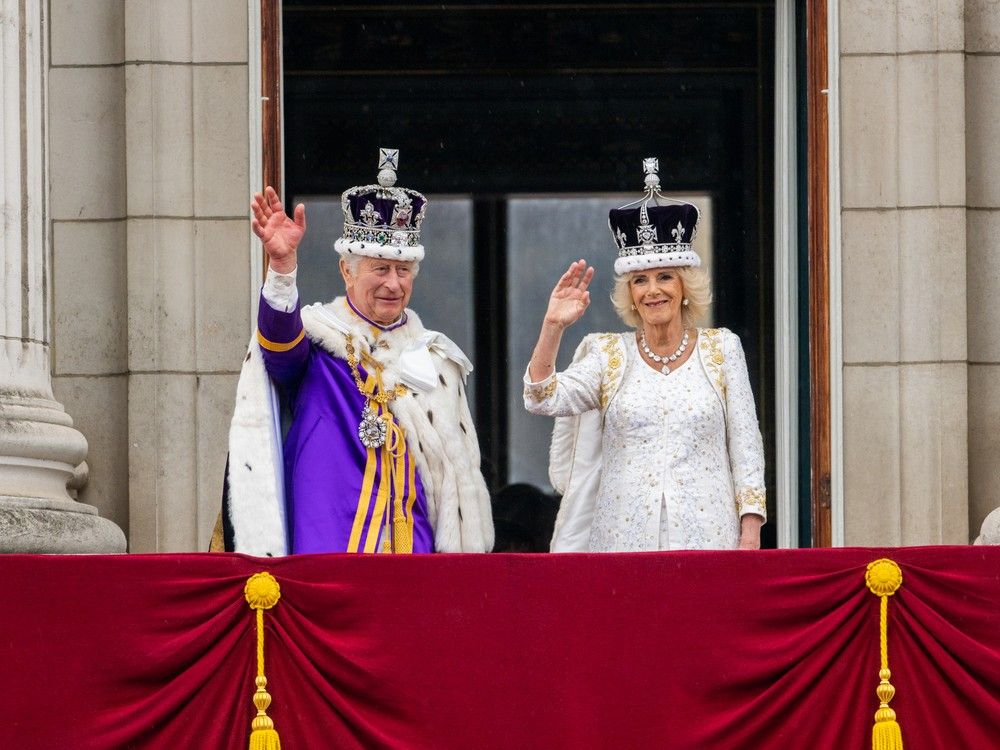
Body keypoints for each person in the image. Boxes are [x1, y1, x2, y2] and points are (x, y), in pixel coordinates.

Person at [214, 148, 493, 555]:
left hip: (414, 553)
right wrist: (282, 268)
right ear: (347, 271)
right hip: (329, 551)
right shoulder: (319, 342)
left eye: (402, 271)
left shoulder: (436, 361)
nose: (393, 284)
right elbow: (278, 348)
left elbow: (454, 480)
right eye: (380, 269)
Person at [523, 157, 766, 552]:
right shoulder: (608, 356)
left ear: (684, 285)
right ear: (631, 294)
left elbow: (746, 447)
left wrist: (750, 533)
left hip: (709, 540)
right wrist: (552, 328)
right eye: (640, 280)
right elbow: (541, 397)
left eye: (665, 276)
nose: (653, 290)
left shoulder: (722, 349)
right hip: (622, 544)